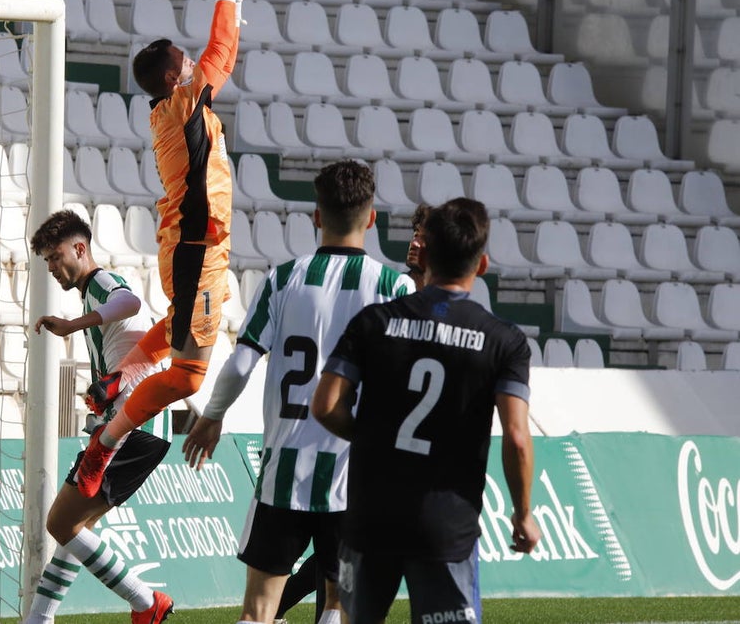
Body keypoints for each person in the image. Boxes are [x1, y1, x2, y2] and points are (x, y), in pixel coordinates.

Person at [181, 160, 415, 624]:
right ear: (371, 218)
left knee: (258, 609)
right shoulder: (394, 287)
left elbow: (242, 362)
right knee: (339, 603)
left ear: (315, 215)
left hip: (283, 470)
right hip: (352, 478)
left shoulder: (282, 278)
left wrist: (211, 416)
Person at [74, 0, 251, 498]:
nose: (191, 59)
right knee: (187, 376)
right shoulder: (181, 103)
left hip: (196, 242)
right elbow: (220, 54)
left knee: (181, 328)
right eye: (183, 59)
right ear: (176, 78)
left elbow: (215, 58)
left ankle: (117, 381)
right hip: (197, 246)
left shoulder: (174, 106)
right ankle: (103, 449)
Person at [312, 197, 541, 624]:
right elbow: (516, 436)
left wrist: (372, 436)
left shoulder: (373, 322)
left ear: (426, 254)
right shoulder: (504, 340)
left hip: (370, 518)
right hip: (446, 524)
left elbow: (325, 406)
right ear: (483, 264)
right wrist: (523, 513)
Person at [23, 210, 174, 624]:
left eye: (55, 257)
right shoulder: (92, 292)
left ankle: (146, 601)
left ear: (80, 248)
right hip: (138, 425)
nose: (52, 268)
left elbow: (131, 301)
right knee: (75, 528)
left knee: (61, 522)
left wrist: (73, 325)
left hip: (131, 426)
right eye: (47, 261)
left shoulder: (101, 283)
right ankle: (38, 619)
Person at [405, 203, 431, 290]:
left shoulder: (448, 300)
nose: (414, 243)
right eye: (415, 236)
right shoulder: (392, 289)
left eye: (423, 239)